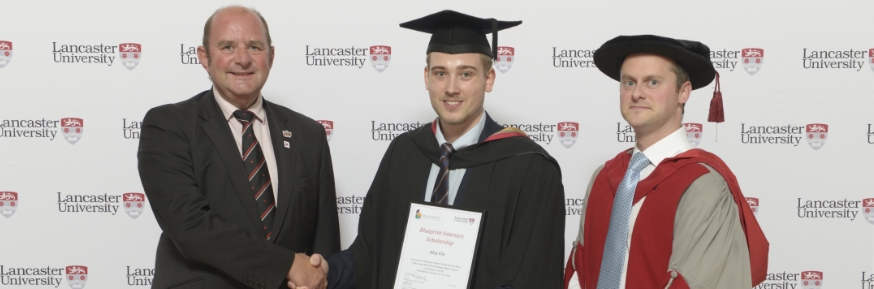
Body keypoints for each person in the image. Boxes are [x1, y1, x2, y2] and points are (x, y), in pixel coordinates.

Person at [300, 10, 565, 289]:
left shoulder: (530, 168)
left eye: (466, 74)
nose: (451, 88)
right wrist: (327, 271)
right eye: (441, 73)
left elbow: (531, 276)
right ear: (426, 77)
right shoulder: (403, 153)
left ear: (488, 80)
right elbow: (370, 254)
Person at [137, 6, 339, 289]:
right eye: (227, 46)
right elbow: (190, 226)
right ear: (204, 57)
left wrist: (318, 277)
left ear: (271, 56)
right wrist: (287, 264)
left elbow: (323, 244)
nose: (242, 59)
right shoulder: (168, 125)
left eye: (255, 47)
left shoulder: (309, 134)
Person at [563, 35, 768, 289]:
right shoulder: (603, 177)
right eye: (629, 82)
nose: (637, 93)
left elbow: (699, 282)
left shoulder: (702, 184)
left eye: (652, 82)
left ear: (683, 92)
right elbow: (580, 270)